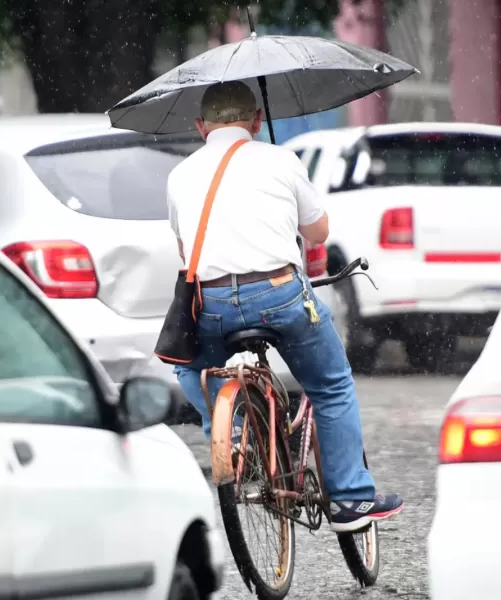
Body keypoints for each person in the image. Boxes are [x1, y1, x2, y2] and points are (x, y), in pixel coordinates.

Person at [166, 80, 403, 533]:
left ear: (201, 127)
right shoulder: (281, 159)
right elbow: (316, 234)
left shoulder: (180, 176)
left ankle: (233, 438)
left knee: (189, 368)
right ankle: (350, 500)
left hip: (211, 304)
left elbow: (184, 251)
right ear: (256, 121)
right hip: (279, 295)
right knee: (331, 383)